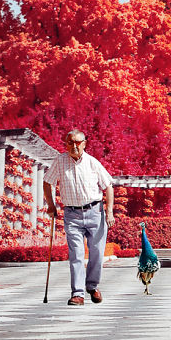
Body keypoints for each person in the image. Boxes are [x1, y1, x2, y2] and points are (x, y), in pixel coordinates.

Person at [43, 129, 115, 305]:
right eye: (70, 142)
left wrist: (110, 211)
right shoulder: (59, 161)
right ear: (66, 144)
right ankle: (78, 293)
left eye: (77, 142)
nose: (74, 146)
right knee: (76, 253)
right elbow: (47, 182)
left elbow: (109, 186)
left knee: (97, 253)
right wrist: (51, 205)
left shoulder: (92, 163)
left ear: (84, 143)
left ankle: (92, 286)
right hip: (72, 214)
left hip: (95, 212)